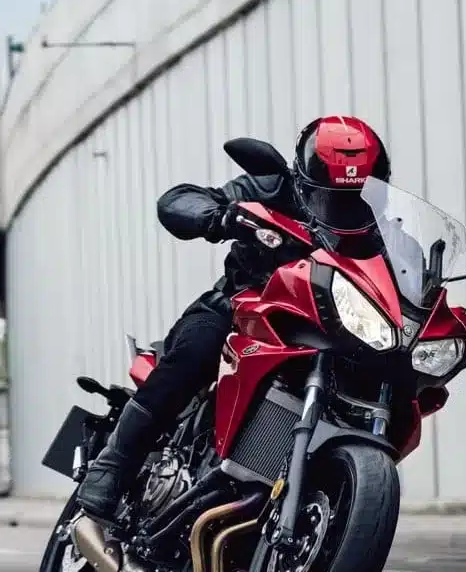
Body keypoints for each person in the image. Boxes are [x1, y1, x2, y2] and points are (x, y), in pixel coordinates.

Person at [76, 115, 392, 528]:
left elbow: (406, 279)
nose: (346, 209)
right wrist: (221, 216)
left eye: (360, 197)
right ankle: (112, 465)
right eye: (331, 198)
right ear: (302, 183)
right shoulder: (272, 189)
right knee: (197, 352)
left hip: (328, 334)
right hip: (242, 312)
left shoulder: (383, 233)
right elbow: (177, 200)